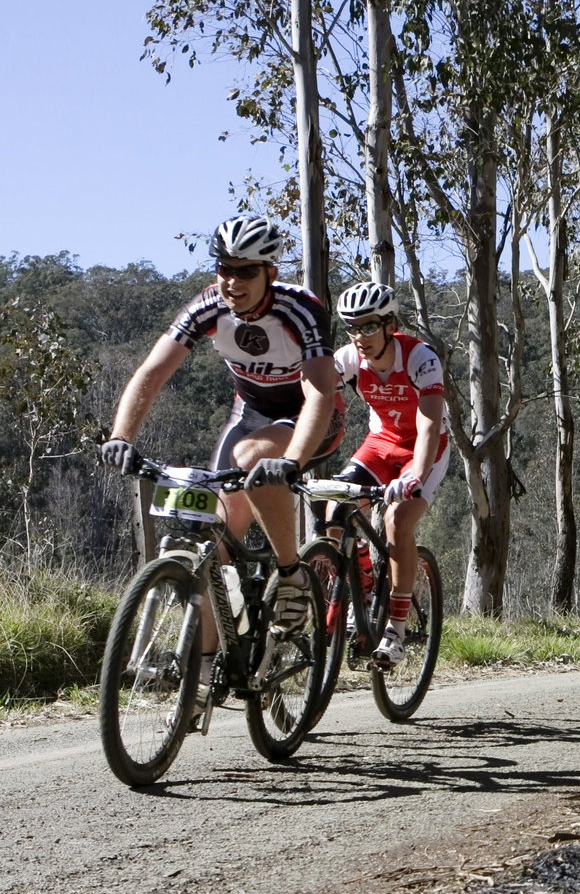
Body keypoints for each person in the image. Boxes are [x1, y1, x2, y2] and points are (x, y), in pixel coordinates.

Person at [100, 215, 344, 656]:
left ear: (271, 272)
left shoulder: (300, 310)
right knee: (211, 541)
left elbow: (320, 394)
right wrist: (122, 436)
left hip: (311, 417)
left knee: (252, 458)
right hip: (250, 413)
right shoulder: (208, 305)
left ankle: (291, 575)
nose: (233, 281)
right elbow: (152, 373)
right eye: (225, 268)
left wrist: (291, 461)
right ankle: (205, 670)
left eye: (246, 271)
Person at [326, 281, 450, 666]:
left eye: (368, 326)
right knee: (335, 512)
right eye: (352, 327)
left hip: (425, 447)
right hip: (380, 443)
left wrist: (415, 476)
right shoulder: (347, 359)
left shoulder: (420, 358)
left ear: (390, 325)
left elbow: (428, 426)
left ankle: (396, 629)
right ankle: (362, 589)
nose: (359, 336)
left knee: (397, 521)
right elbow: (314, 402)